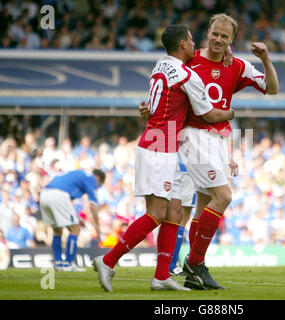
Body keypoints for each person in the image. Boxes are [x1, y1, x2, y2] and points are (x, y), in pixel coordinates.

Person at [92, 24, 235, 292]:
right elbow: (211, 115)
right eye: (191, 41)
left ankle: (161, 277)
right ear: (182, 44)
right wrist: (232, 113)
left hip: (163, 145)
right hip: (158, 149)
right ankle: (108, 261)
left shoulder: (160, 66)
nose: (195, 45)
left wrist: (225, 50)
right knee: (156, 214)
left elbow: (156, 103)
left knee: (175, 211)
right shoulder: (186, 75)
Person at [179, 13, 279, 290]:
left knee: (202, 204)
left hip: (217, 140)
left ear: (232, 39)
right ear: (207, 32)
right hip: (194, 135)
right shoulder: (191, 59)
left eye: (225, 36)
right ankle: (195, 262)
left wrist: (266, 60)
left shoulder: (238, 65)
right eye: (215, 33)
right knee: (223, 196)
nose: (218, 39)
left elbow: (272, 89)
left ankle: (191, 275)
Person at [39, 169, 105, 271]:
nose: (96, 188)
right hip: (59, 195)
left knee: (57, 230)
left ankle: (59, 263)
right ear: (98, 178)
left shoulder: (78, 174)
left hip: (44, 194)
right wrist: (97, 226)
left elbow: (67, 202)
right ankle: (68, 264)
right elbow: (93, 205)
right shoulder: (91, 179)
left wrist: (77, 218)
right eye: (99, 186)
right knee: (75, 229)